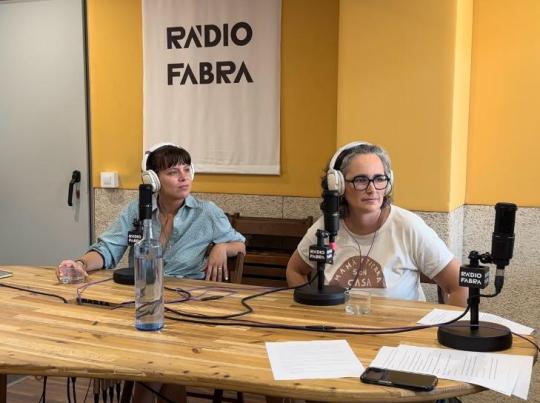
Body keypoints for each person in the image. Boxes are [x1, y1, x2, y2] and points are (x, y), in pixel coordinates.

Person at [286, 141, 467, 306]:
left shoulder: (409, 226)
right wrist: (310, 312)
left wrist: (441, 328)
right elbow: (295, 270)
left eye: (380, 179)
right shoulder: (326, 227)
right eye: (361, 180)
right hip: (339, 328)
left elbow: (460, 286)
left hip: (399, 328)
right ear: (338, 185)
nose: (372, 189)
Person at [57, 143, 245, 283]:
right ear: (153, 179)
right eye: (173, 172)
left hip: (187, 295)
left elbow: (240, 246)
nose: (184, 177)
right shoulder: (137, 209)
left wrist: (223, 247)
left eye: (187, 170)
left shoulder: (207, 212)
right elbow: (108, 248)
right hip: (142, 292)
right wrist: (80, 264)